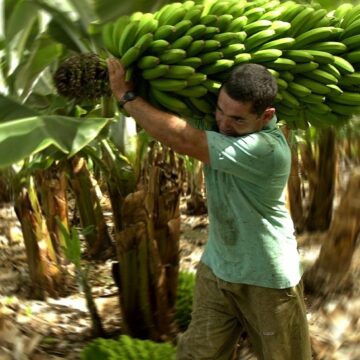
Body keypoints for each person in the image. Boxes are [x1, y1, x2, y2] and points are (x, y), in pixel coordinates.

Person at [107, 58, 312, 360]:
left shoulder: (267, 150)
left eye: (238, 120)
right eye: (220, 111)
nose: (224, 125)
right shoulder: (222, 123)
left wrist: (125, 95)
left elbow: (182, 138)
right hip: (218, 269)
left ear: (266, 115)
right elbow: (173, 119)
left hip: (268, 279)